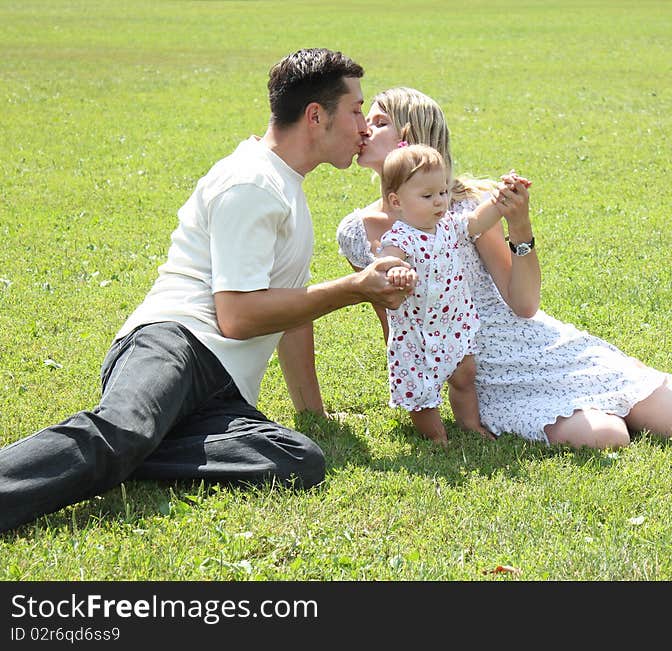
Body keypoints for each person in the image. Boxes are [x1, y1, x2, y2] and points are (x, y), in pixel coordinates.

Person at [0, 49, 416, 534]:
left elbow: (288, 314)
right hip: (174, 344)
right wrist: (354, 288)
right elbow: (236, 317)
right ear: (315, 115)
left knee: (298, 460)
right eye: (356, 110)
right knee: (125, 430)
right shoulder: (252, 182)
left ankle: (145, 447)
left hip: (224, 395)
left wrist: (313, 413)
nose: (365, 127)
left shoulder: (286, 185)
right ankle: (129, 446)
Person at [327, 87, 672, 449]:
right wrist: (423, 391)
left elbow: (524, 305)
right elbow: (394, 327)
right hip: (481, 368)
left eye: (378, 123)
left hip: (525, 341)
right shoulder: (357, 232)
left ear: (407, 139)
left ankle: (609, 373)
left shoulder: (463, 207)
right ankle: (600, 407)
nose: (362, 129)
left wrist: (520, 224)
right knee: (608, 437)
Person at [378, 143, 531, 443]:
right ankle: (435, 436)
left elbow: (477, 221)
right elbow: (387, 263)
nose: (439, 202)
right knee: (422, 390)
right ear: (396, 201)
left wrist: (500, 200)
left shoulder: (448, 225)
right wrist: (396, 270)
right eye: (427, 196)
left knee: (465, 375)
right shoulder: (399, 238)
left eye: (443, 192)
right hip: (417, 334)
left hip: (453, 324)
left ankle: (470, 423)